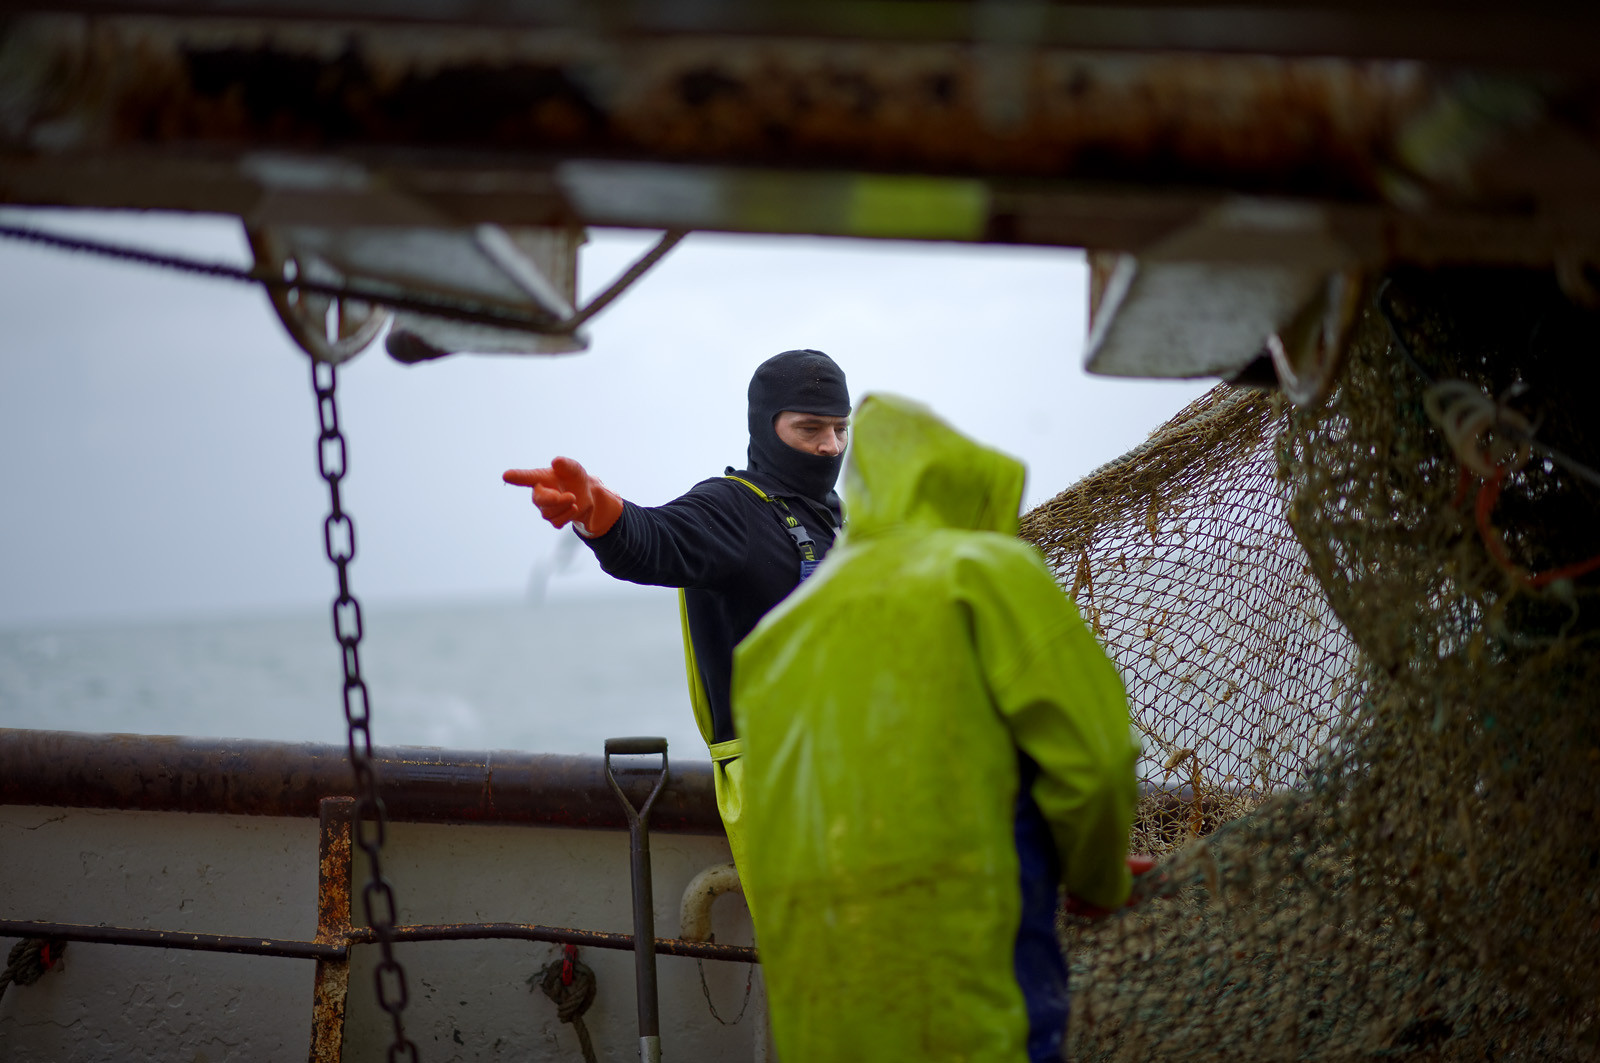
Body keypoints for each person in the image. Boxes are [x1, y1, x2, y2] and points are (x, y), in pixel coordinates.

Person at [732, 393, 1143, 1063]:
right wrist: (1097, 883)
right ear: (970, 486)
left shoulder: (772, 640)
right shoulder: (983, 570)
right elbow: (1093, 765)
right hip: (972, 995)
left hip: (825, 1021)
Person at [502, 349, 851, 873]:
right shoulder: (732, 509)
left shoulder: (838, 519)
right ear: (766, 426)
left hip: (858, 777)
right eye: (810, 429)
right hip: (782, 795)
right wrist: (602, 516)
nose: (830, 446)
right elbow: (656, 541)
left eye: (841, 429)